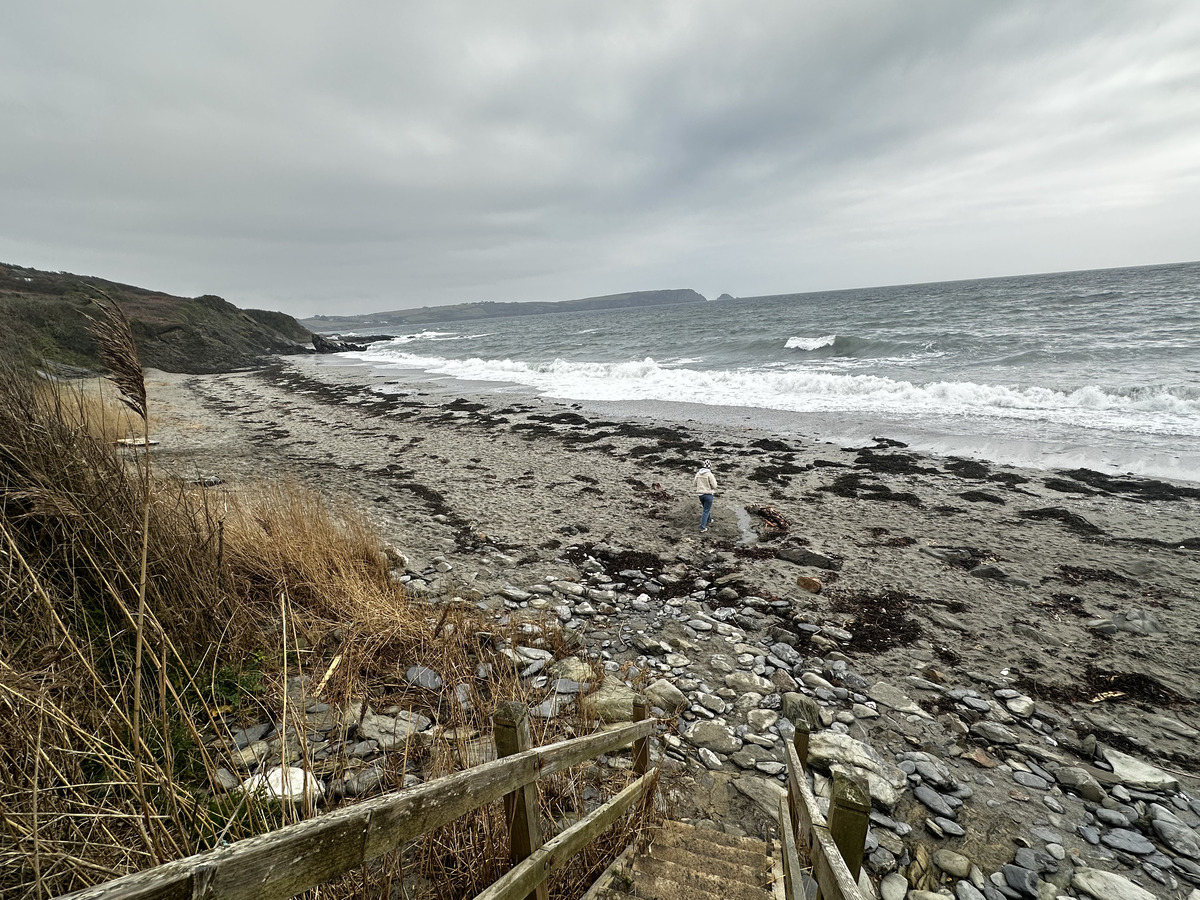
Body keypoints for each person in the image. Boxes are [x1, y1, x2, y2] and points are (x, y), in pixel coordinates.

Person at [693, 460, 718, 532]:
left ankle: (709, 520)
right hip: (708, 494)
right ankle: (702, 527)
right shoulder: (710, 475)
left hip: (700, 494)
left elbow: (694, 484)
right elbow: (715, 485)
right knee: (706, 511)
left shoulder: (698, 474)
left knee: (706, 508)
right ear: (710, 467)